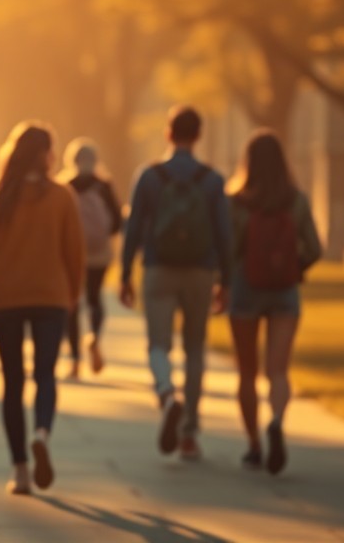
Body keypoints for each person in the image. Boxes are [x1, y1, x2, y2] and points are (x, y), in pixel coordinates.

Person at [0, 122, 84, 495]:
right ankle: (41, 432)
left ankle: (20, 470)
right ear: (45, 155)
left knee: (12, 381)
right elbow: (74, 252)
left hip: (5, 299)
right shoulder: (61, 197)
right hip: (51, 298)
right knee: (45, 374)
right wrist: (73, 295)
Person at [119, 105, 232, 462]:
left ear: (168, 134)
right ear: (198, 136)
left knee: (158, 344)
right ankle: (189, 435)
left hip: (158, 269)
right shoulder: (212, 180)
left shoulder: (149, 176)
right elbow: (224, 234)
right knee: (195, 349)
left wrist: (124, 274)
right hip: (200, 271)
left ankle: (167, 394)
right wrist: (225, 279)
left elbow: (133, 228)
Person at [225, 129, 322, 475]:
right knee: (278, 371)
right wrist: (294, 268)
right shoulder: (296, 200)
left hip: (245, 290)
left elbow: (227, 251)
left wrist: (225, 282)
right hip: (284, 291)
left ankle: (254, 446)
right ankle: (277, 421)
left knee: (247, 373)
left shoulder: (235, 201)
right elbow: (315, 248)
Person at [56, 138, 122, 379]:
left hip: (70, 253)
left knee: (72, 303)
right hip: (99, 253)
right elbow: (116, 222)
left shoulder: (64, 185)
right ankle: (93, 334)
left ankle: (74, 360)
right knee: (95, 298)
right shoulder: (104, 186)